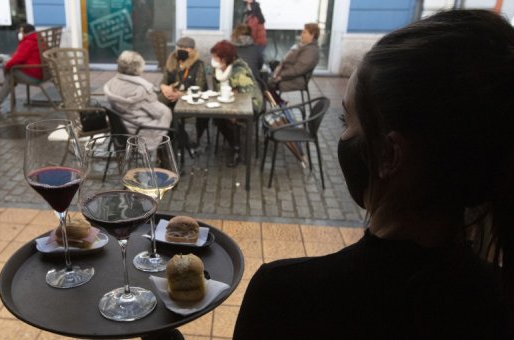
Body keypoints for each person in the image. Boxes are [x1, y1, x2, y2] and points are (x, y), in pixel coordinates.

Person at [234, 10, 513, 339]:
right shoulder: (497, 303)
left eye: (346, 121)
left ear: (389, 154)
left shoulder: (286, 296)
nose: (343, 137)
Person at [208, 40, 263, 167]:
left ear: (225, 58)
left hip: (250, 106)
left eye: (216, 57)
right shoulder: (218, 69)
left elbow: (246, 97)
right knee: (217, 117)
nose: (213, 59)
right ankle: (234, 144)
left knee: (230, 118)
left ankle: (237, 151)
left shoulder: (239, 70)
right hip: (227, 102)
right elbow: (217, 90)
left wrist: (232, 96)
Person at [104, 51, 172, 148]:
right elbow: (158, 113)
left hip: (120, 128)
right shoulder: (141, 90)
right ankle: (160, 155)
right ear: (138, 68)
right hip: (140, 130)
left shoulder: (111, 84)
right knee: (167, 115)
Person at [158, 36, 208, 147]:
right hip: (171, 96)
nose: (181, 49)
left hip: (190, 99)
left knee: (167, 111)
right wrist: (166, 89)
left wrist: (180, 95)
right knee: (163, 106)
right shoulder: (172, 60)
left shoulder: (198, 64)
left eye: (186, 48)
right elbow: (163, 82)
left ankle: (176, 139)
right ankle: (174, 138)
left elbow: (199, 88)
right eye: (179, 46)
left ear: (193, 50)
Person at [0, 23, 43, 106]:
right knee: (10, 75)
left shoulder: (28, 42)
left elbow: (18, 58)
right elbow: (21, 56)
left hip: (34, 75)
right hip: (39, 72)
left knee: (9, 72)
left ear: (24, 32)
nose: (19, 34)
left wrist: (6, 67)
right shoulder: (38, 39)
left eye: (20, 32)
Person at [267, 23, 319, 96]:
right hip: (288, 74)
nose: (301, 35)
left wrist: (280, 75)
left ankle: (280, 104)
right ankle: (277, 103)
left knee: (264, 85)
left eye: (304, 32)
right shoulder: (303, 45)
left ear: (312, 35)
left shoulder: (311, 51)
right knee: (265, 75)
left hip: (296, 80)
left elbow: (297, 70)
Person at [231, 24, 264, 90]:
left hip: (234, 84)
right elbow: (260, 65)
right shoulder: (256, 49)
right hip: (254, 84)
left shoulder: (230, 48)